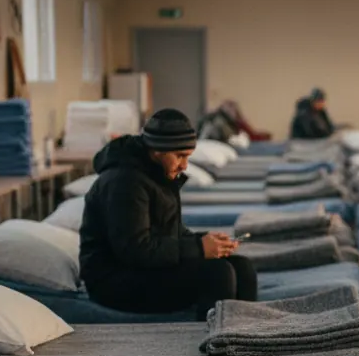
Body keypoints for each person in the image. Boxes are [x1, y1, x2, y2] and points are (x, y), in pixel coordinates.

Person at [80, 109, 257, 320]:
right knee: (217, 274)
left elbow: (169, 231)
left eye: (187, 156)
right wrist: (198, 248)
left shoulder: (156, 174)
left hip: (141, 268)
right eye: (179, 156)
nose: (184, 166)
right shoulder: (125, 183)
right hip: (113, 280)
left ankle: (246, 336)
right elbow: (135, 250)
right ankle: (218, 342)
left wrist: (204, 241)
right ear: (157, 150)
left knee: (242, 267)